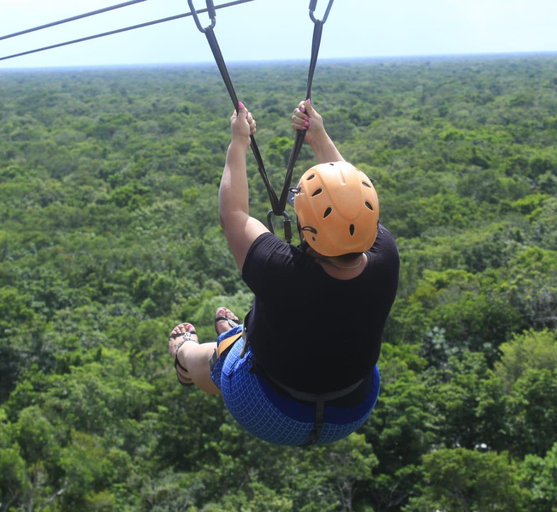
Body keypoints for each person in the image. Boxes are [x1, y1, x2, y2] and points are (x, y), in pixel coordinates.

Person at [168, 99, 400, 446]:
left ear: (307, 228)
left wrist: (238, 143)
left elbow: (233, 216)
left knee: (220, 358)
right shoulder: (387, 257)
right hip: (352, 407)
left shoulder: (282, 271)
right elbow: (349, 203)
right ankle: (239, 336)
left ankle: (187, 357)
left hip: (271, 411)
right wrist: (319, 137)